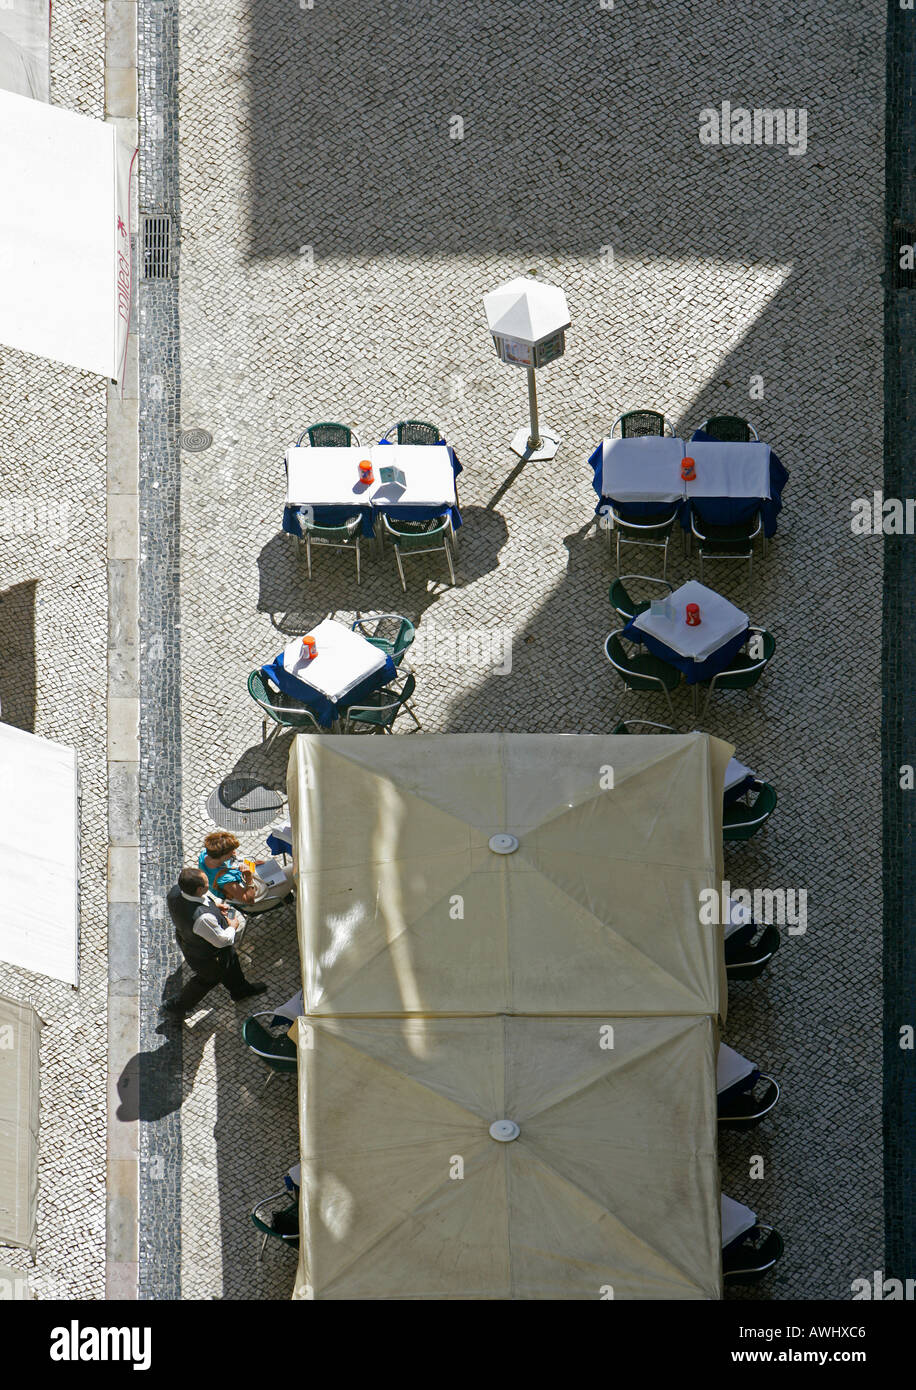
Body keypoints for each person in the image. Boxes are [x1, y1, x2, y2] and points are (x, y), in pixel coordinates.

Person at [162, 867, 267, 1018]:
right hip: (209, 955)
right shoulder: (203, 919)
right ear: (199, 889)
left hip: (190, 940)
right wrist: (233, 926)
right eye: (206, 883)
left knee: (231, 966)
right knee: (208, 979)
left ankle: (240, 991)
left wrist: (214, 906)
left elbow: (196, 904)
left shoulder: (176, 892)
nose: (209, 884)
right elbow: (223, 941)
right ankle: (177, 1005)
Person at [198, 831, 295, 914]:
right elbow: (249, 900)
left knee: (289, 873)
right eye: (231, 852)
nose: (234, 853)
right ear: (222, 856)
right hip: (254, 904)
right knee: (294, 871)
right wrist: (249, 877)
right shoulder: (225, 880)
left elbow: (233, 864)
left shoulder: (205, 855)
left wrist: (251, 864)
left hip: (240, 886)